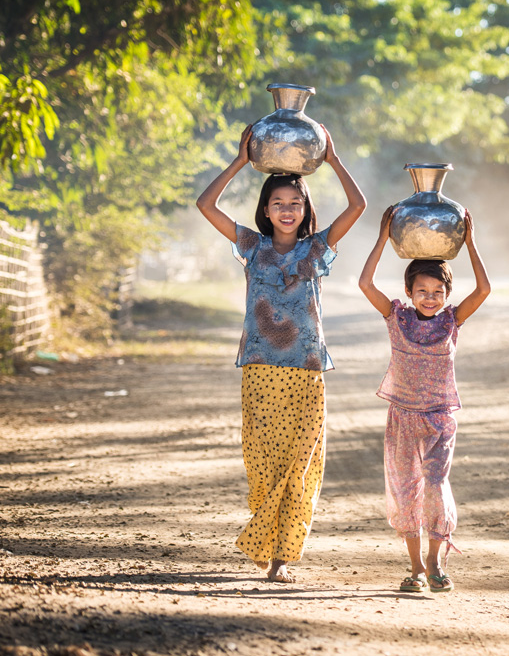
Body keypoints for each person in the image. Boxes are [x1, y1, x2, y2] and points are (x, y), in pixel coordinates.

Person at [196, 123, 366, 583]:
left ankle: (282, 557)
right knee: (264, 462)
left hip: (307, 373)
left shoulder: (316, 250)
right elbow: (205, 205)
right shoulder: (251, 247)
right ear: (265, 211)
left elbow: (358, 206)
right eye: (278, 204)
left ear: (306, 209)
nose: (287, 210)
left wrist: (330, 158)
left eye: (295, 203)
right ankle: (268, 546)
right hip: (260, 371)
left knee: (302, 465)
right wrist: (240, 160)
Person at [357, 206, 491, 593]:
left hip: (439, 420)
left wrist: (469, 241)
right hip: (402, 418)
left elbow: (483, 290)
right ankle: (415, 568)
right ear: (408, 292)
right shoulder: (397, 317)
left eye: (437, 292)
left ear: (447, 294)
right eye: (422, 291)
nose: (429, 298)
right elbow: (366, 284)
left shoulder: (452, 321)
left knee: (434, 485)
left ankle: (435, 561)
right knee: (405, 490)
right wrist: (384, 236)